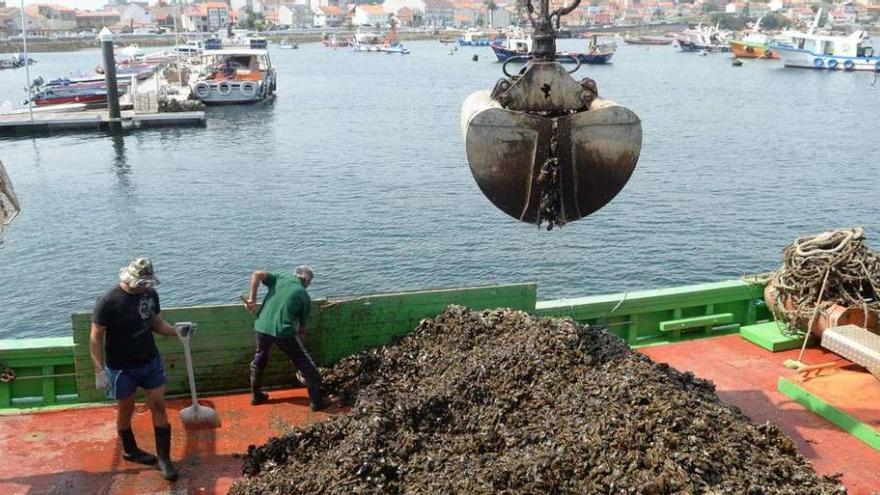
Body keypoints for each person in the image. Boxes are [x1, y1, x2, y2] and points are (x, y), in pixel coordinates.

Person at [90, 258, 190, 481]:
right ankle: (129, 449)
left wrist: (177, 331)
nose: (147, 286)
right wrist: (99, 370)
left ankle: (164, 458)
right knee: (126, 408)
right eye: (143, 282)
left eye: (149, 283)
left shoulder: (150, 295)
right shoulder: (108, 301)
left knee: (158, 405)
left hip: (149, 360)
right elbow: (96, 338)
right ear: (130, 278)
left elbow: (156, 324)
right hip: (121, 367)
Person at [244, 265, 330, 411]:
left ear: (295, 275)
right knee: (308, 366)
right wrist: (299, 353)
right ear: (307, 281)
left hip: (261, 327)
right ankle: (316, 402)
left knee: (260, 357)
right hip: (283, 331)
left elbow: (257, 273)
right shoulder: (303, 296)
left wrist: (251, 299)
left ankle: (256, 396)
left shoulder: (279, 278)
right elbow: (301, 329)